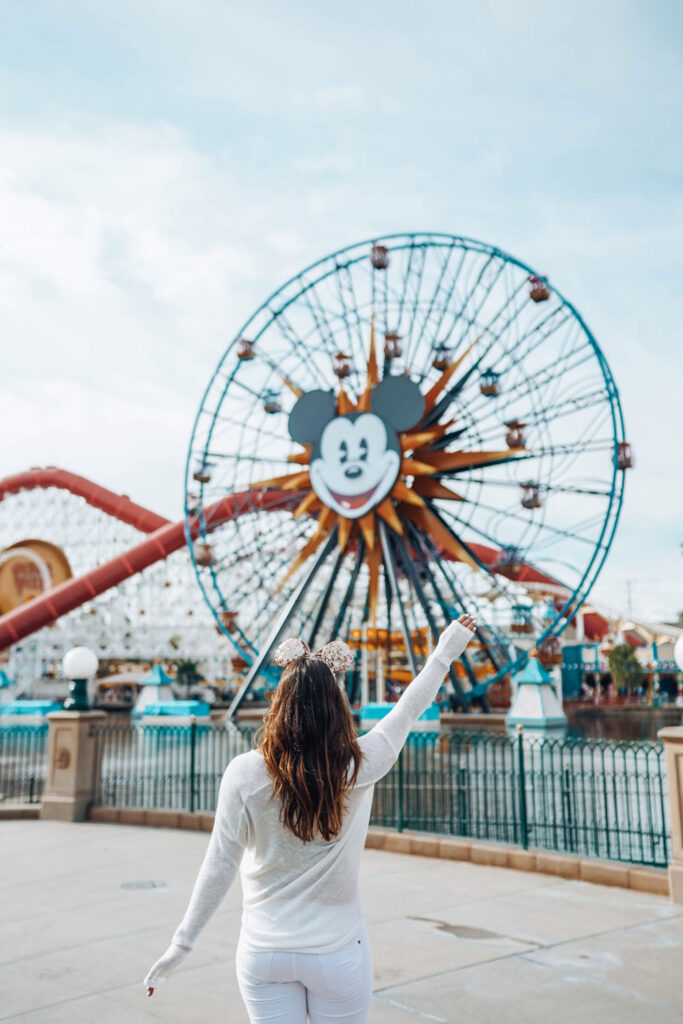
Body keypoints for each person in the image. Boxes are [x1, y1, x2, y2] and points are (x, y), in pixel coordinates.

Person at [143, 614, 475, 1023]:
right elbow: (410, 706)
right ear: (337, 708)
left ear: (280, 704)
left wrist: (181, 946)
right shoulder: (361, 766)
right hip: (337, 952)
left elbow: (220, 864)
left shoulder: (244, 774)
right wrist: (446, 650)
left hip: (264, 953)